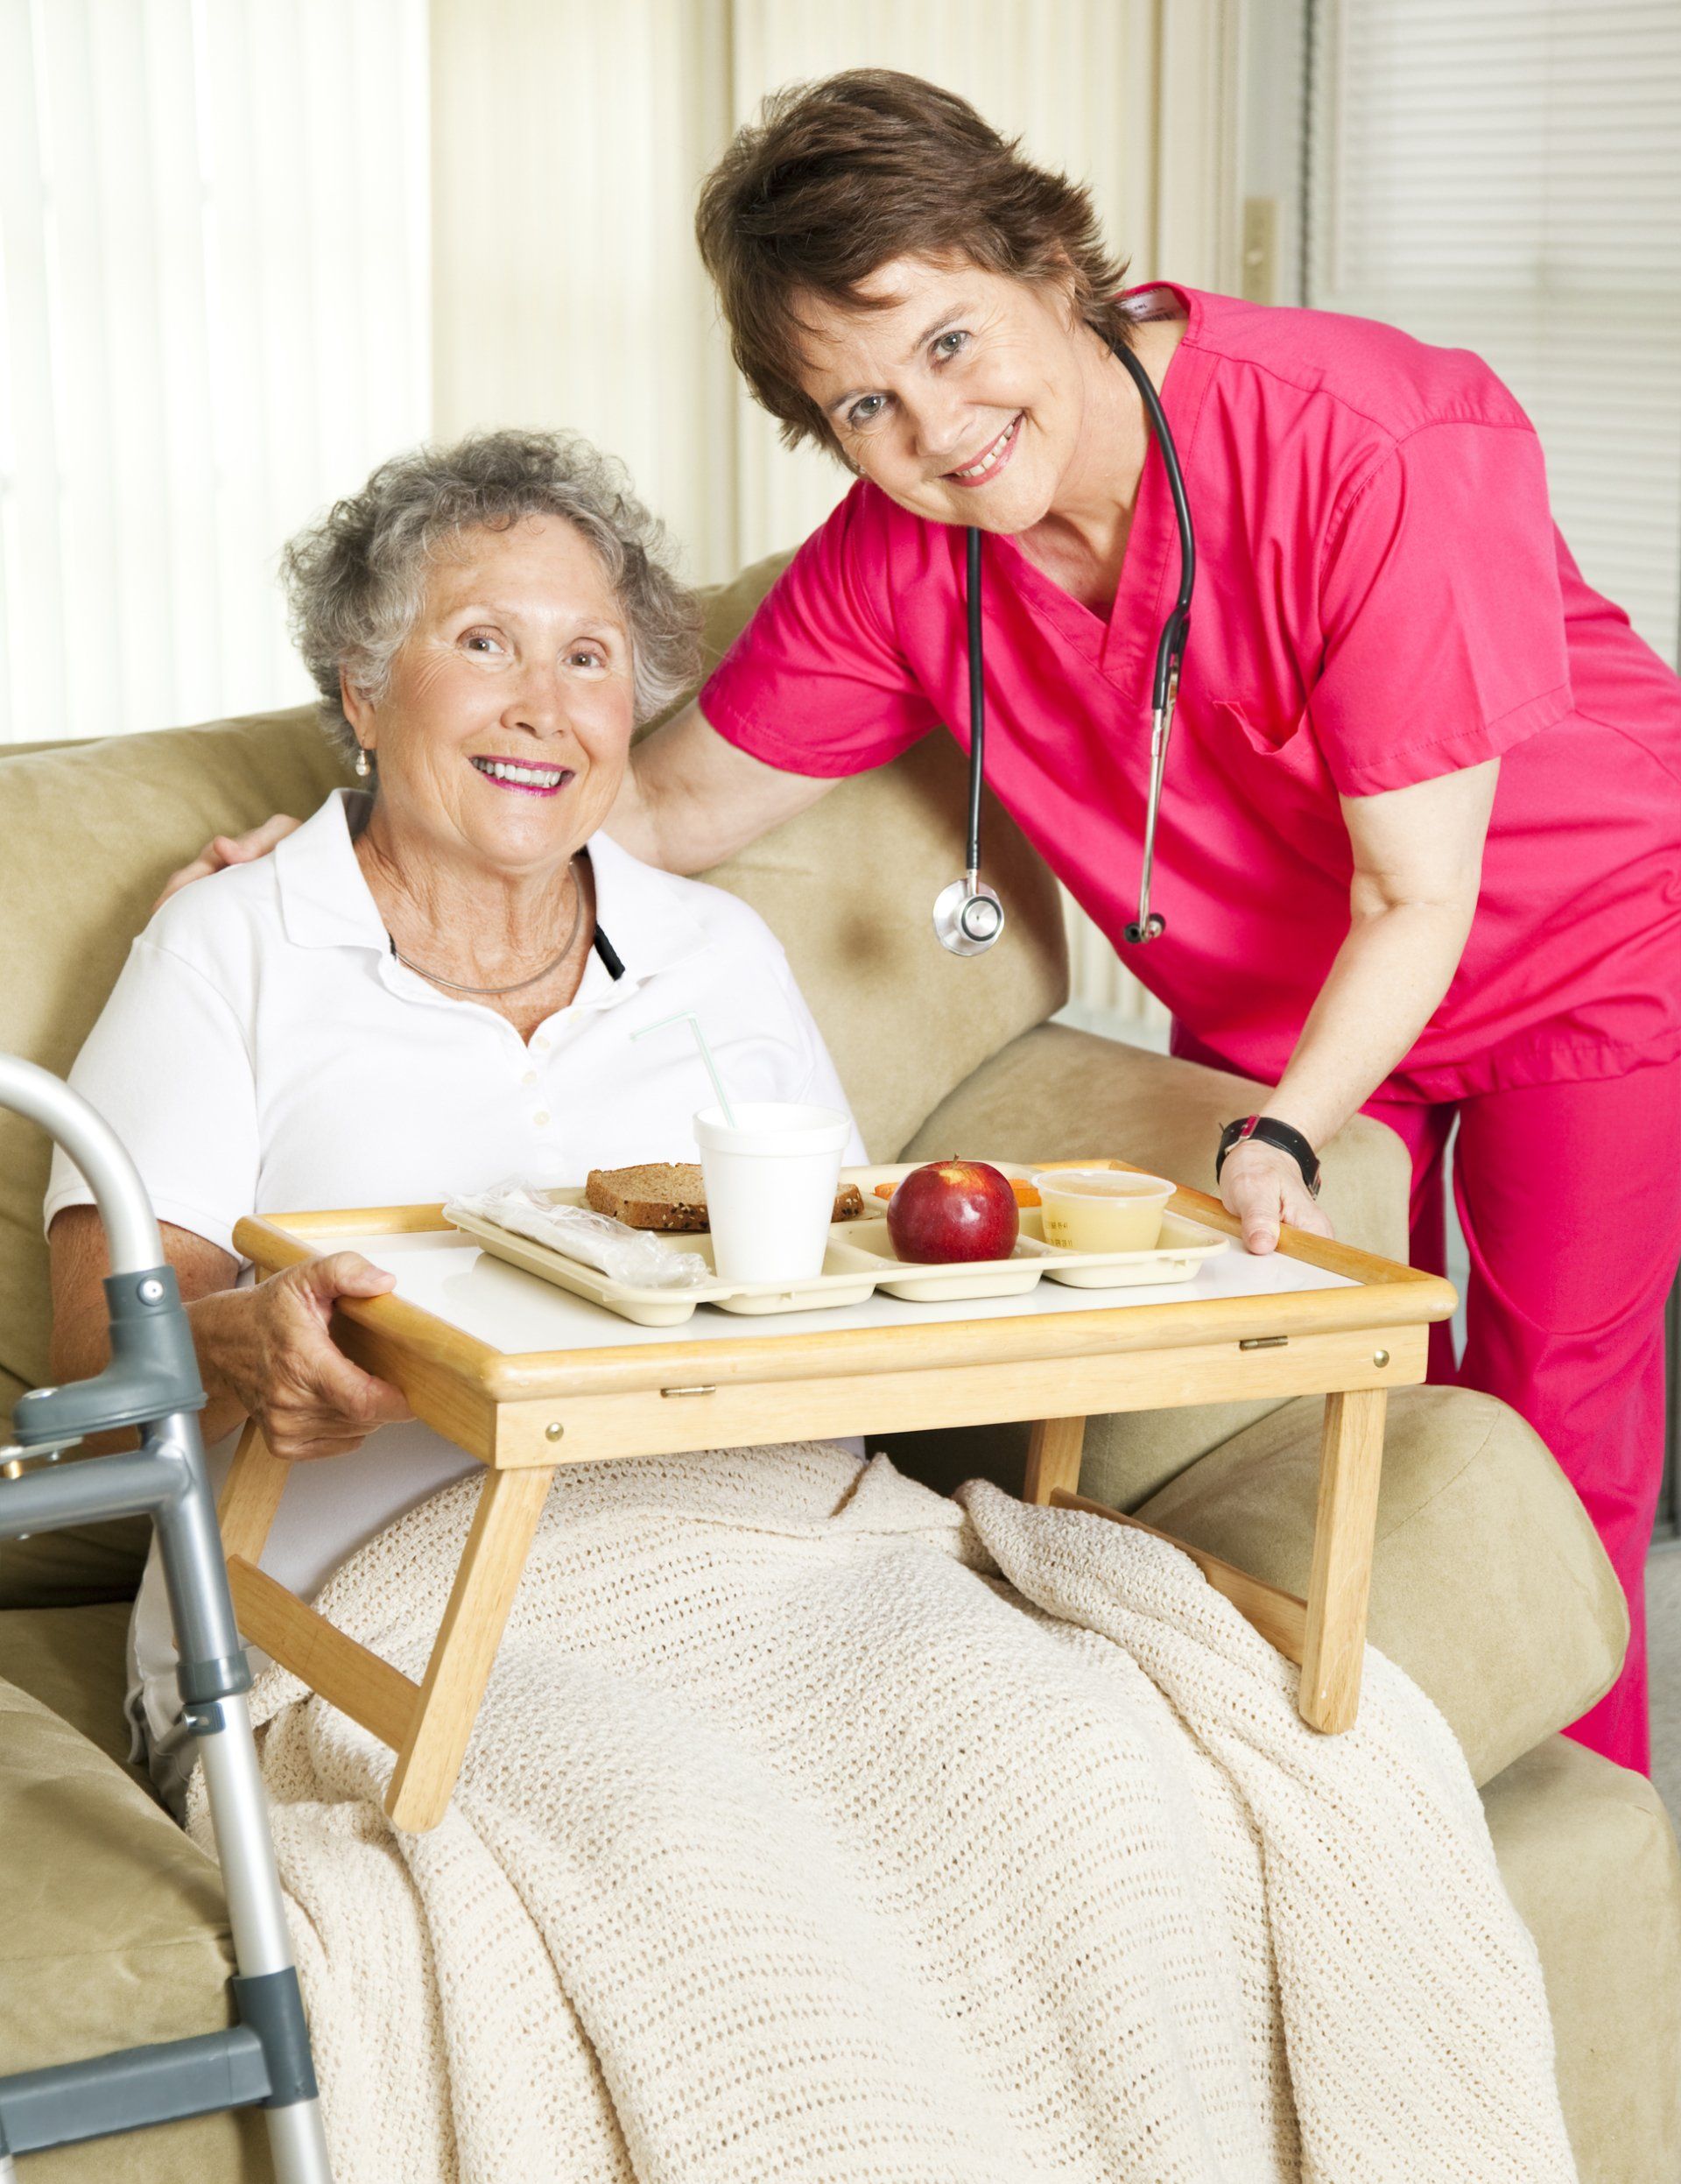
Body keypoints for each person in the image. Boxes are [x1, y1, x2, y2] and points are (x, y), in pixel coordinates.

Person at [164, 73, 1681, 1779]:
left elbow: (1419, 890)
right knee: (1335, 1409)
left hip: (1579, 938)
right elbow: (647, 804)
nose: (934, 432)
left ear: (1049, 256)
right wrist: (331, 846)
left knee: (1560, 1419)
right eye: (864, 404)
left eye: (951, 342)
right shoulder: (904, 559)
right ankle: (1355, 1802)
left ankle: (1582, 1827)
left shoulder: (1377, 440)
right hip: (1270, 985)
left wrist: (1283, 1126)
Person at [46, 427, 863, 1807]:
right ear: (362, 689)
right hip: (360, 1616)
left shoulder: (717, 952)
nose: (545, 705)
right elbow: (86, 1376)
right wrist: (250, 1344)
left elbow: (860, 1291)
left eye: (588, 658)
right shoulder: (227, 948)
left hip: (752, 1567)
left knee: (1078, 1756)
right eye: (486, 643)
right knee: (656, 1823)